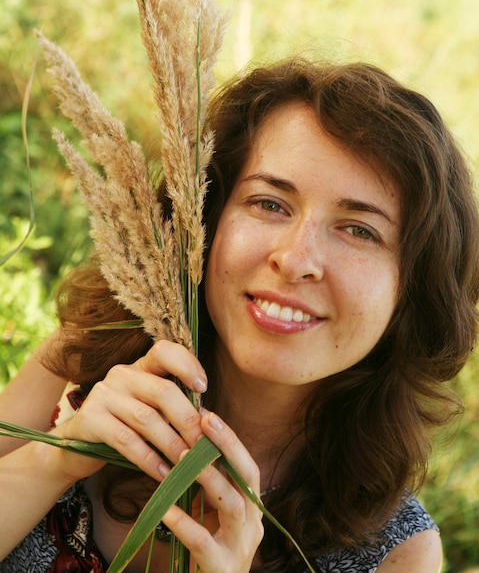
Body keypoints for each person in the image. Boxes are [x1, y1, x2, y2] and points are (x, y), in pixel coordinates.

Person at [1, 58, 478, 573]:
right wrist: (55, 459)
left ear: (412, 288)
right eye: (270, 203)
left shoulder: (398, 554)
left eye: (359, 230)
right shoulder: (85, 356)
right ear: (205, 217)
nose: (294, 260)